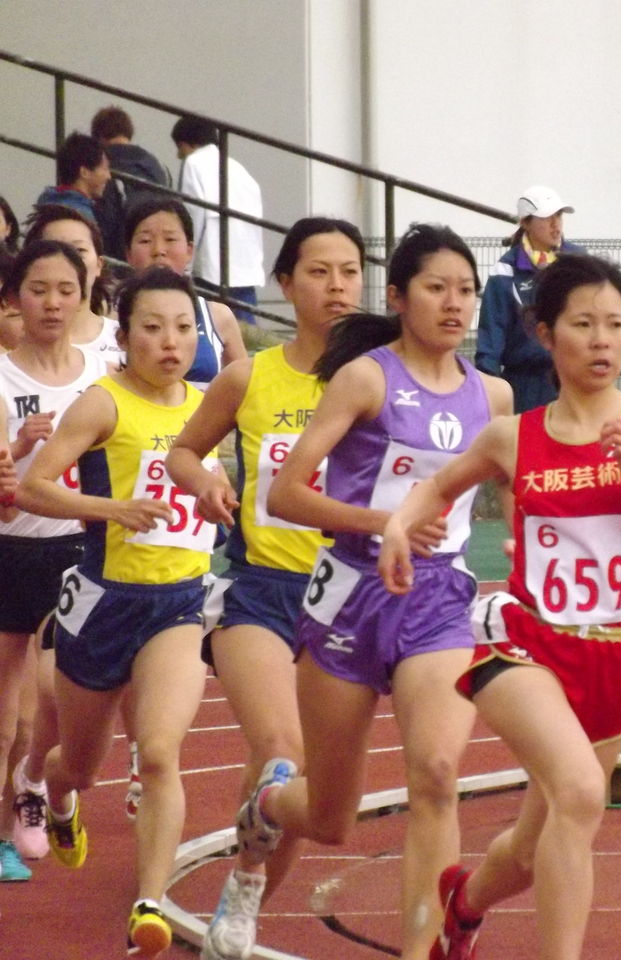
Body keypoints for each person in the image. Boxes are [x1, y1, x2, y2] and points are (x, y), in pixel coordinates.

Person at [377, 253, 621, 960]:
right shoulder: (515, 436)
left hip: (617, 657)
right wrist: (398, 525)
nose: (601, 339)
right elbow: (436, 487)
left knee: (531, 842)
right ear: (546, 334)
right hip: (527, 646)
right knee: (578, 794)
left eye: (615, 325)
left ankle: (466, 898)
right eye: (583, 324)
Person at [222, 223, 510, 960]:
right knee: (329, 817)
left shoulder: (494, 395)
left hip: (438, 599)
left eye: (466, 290)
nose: (454, 304)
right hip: (350, 596)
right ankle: (269, 801)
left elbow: (514, 494)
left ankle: (421, 949)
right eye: (436, 288)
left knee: (438, 775)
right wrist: (383, 522)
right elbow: (285, 495)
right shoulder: (366, 378)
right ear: (399, 296)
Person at [164, 216, 365, 960]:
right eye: (319, 271)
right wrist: (208, 479)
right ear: (285, 283)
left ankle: (245, 886)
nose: (337, 285)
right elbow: (185, 452)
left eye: (349, 271)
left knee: (294, 777)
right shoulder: (251, 377)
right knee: (281, 747)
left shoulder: (377, 378)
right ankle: (244, 896)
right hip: (262, 591)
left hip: (347, 597)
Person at [17, 266, 214, 957]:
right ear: (124, 336)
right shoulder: (102, 404)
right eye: (153, 328)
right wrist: (114, 509)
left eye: (185, 328)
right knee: (84, 764)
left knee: (159, 753)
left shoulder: (209, 405)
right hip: (103, 606)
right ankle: (51, 786)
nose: (171, 342)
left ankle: (149, 903)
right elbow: (34, 487)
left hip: (179, 606)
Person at [1, 239, 113, 875]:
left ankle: (34, 785)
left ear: (83, 295)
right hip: (8, 549)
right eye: (37, 289)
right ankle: (5, 824)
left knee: (48, 693)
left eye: (65, 290)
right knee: (3, 706)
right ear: (14, 297)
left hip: (75, 552)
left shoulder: (103, 373)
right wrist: (18, 447)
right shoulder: (0, 375)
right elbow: (7, 504)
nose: (51, 302)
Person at [475, 185, 584, 413]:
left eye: (559, 215)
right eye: (547, 217)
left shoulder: (579, 261)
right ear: (525, 222)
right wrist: (487, 391)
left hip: (574, 380)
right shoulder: (505, 271)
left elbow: (601, 305)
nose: (556, 224)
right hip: (523, 387)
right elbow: (491, 338)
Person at [126, 196, 248, 389]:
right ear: (128, 254)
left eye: (170, 239)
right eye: (145, 240)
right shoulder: (112, 316)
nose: (159, 250)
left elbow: (245, 389)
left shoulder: (218, 316)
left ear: (189, 250)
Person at [171, 115, 265, 324]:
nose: (179, 155)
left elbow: (194, 215)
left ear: (187, 143)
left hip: (211, 267)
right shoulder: (239, 169)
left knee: (212, 328)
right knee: (247, 337)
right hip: (245, 267)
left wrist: (186, 262)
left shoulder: (194, 164)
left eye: (180, 148)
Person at [24, 204, 122, 366]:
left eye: (79, 250)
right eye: (53, 249)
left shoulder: (126, 339)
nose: (68, 260)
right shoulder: (13, 339)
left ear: (99, 264)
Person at [91, 105, 172, 260]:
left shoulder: (105, 168)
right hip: (157, 253)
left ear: (99, 136)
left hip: (122, 257)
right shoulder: (158, 167)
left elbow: (105, 223)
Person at [34, 132, 111, 226]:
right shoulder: (80, 216)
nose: (108, 176)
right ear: (84, 172)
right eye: (104, 168)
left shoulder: (46, 205)